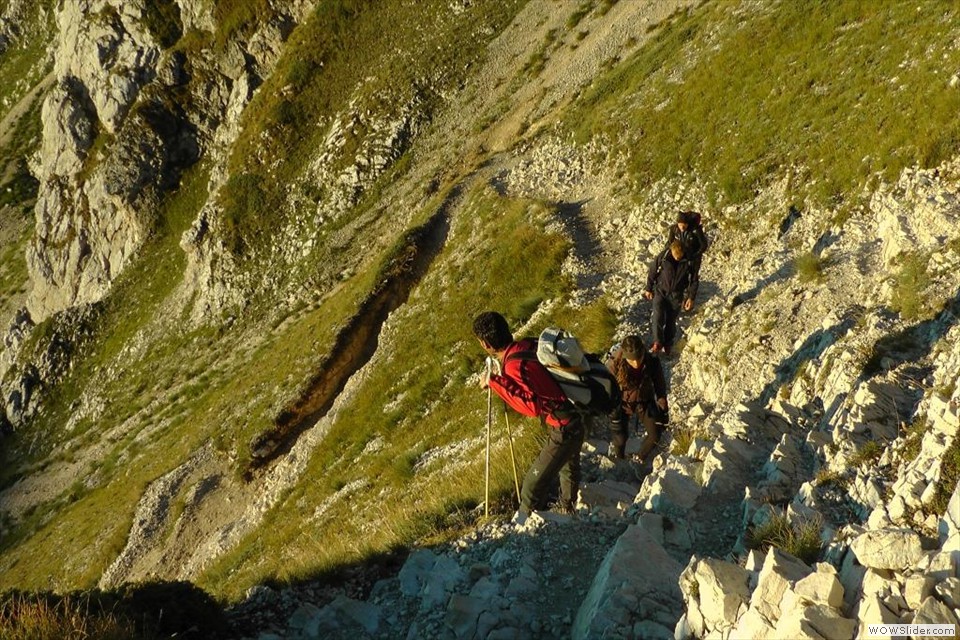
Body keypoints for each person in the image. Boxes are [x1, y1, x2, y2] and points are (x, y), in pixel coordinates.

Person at [473, 311, 584, 515]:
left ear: (485, 344)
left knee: (531, 487)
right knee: (568, 468)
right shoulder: (527, 345)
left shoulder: (513, 365)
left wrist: (494, 382)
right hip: (575, 416)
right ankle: (569, 513)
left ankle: (525, 527)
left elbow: (531, 407)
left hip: (564, 427)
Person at [605, 335, 668, 462]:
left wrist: (663, 408)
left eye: (639, 358)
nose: (636, 363)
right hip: (621, 403)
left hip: (644, 400)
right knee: (620, 438)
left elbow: (660, 386)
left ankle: (639, 459)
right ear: (624, 357)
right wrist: (612, 411)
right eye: (631, 360)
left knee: (655, 433)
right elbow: (607, 390)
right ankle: (620, 459)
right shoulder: (614, 365)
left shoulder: (652, 362)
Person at [644, 240, 698, 355]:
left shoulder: (689, 261)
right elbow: (653, 270)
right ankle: (658, 342)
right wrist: (648, 288)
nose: (677, 258)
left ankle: (668, 344)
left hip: (677, 295)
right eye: (675, 256)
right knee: (657, 316)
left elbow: (693, 280)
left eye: (680, 256)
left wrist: (690, 297)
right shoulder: (664, 256)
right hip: (660, 291)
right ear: (671, 250)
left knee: (671, 320)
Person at [664, 210, 709, 278]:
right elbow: (670, 242)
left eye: (683, 225)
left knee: (693, 276)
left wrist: (695, 255)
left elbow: (703, 245)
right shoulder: (674, 229)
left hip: (693, 256)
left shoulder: (696, 230)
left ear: (687, 224)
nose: (682, 227)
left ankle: (692, 286)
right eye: (680, 225)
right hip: (680, 255)